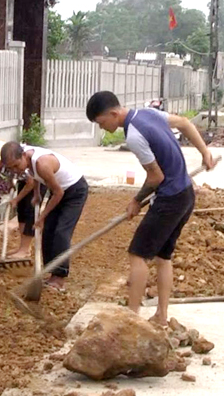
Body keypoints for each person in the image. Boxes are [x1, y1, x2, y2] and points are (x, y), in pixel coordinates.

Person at [86, 90, 216, 326]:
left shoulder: (134, 136)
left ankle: (131, 318)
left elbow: (155, 177)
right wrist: (204, 151)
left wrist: (136, 200)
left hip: (169, 200)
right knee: (162, 256)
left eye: (102, 123)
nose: (102, 128)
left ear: (114, 113)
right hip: (185, 194)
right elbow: (185, 123)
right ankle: (161, 316)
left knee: (137, 255)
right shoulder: (147, 113)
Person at [0, 141, 88, 291]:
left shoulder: (42, 163)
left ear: (23, 155)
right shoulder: (27, 159)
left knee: (61, 232)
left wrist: (42, 216)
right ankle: (50, 271)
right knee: (47, 231)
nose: (15, 170)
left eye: (16, 166)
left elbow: (58, 192)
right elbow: (36, 178)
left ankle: (59, 278)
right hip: (59, 191)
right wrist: (36, 195)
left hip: (74, 191)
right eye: (11, 168)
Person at [0, 137, 47, 258]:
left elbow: (31, 182)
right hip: (25, 182)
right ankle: (23, 248)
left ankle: (25, 248)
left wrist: (16, 199)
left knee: (29, 213)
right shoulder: (6, 165)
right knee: (21, 213)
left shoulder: (21, 160)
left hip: (37, 182)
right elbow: (11, 174)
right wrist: (10, 184)